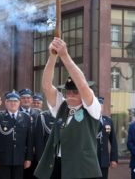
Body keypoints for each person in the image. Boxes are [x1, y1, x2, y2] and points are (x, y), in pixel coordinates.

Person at [34, 37, 102, 179]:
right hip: (58, 164)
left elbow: (82, 84)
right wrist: (52, 57)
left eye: (75, 92)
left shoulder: (91, 107)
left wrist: (64, 55)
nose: (70, 95)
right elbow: (46, 86)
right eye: (68, 92)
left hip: (81, 168)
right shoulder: (63, 106)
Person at [0, 90, 32, 179]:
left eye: (15, 101)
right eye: (10, 101)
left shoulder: (26, 117)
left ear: (19, 102)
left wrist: (28, 158)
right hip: (3, 158)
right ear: (5, 103)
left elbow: (29, 140)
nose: (13, 103)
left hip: (20, 158)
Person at [19, 88, 40, 179]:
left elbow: (39, 133)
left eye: (28, 98)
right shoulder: (14, 112)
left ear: (32, 99)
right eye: (23, 98)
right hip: (19, 151)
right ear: (20, 99)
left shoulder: (39, 114)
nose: (26, 100)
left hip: (34, 152)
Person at [96, 97, 118, 179]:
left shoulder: (108, 120)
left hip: (103, 160)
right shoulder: (87, 120)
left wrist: (114, 159)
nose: (99, 108)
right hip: (90, 159)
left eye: (100, 106)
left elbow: (113, 141)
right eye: (96, 106)